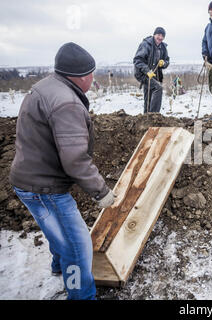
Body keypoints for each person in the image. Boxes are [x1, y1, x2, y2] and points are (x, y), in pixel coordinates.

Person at [9, 42, 116, 300]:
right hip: (44, 188)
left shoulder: (47, 86)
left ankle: (59, 266)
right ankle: (82, 295)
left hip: (27, 180)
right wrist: (101, 192)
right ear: (80, 76)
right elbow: (75, 159)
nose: (93, 78)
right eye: (91, 73)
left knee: (56, 230)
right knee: (77, 247)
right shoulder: (67, 104)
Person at [133, 27, 170, 113]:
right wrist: (147, 71)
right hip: (142, 74)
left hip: (154, 75)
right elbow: (137, 60)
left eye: (162, 36)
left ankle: (146, 116)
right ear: (154, 35)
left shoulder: (163, 47)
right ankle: (154, 115)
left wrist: (163, 63)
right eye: (158, 35)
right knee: (158, 88)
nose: (160, 37)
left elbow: (167, 61)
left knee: (148, 95)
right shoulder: (146, 44)